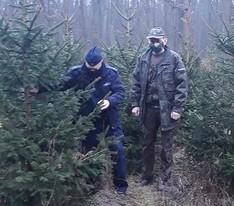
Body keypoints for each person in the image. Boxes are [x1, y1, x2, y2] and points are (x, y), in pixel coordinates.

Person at [31, 46, 128, 195]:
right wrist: (39, 89)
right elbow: (59, 84)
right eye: (89, 66)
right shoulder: (77, 73)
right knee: (88, 152)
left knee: (118, 149)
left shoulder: (111, 74)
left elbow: (120, 92)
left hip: (109, 119)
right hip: (87, 121)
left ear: (101, 62)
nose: (92, 69)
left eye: (95, 66)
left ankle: (121, 187)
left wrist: (109, 101)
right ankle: (92, 186)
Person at [130, 27, 188, 190]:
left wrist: (177, 108)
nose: (154, 43)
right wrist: (135, 104)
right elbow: (135, 82)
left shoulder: (174, 58)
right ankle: (146, 176)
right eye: (151, 40)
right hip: (148, 108)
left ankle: (164, 179)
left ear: (164, 40)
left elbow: (182, 85)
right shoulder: (143, 58)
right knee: (147, 143)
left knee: (166, 145)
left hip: (167, 110)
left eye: (156, 40)